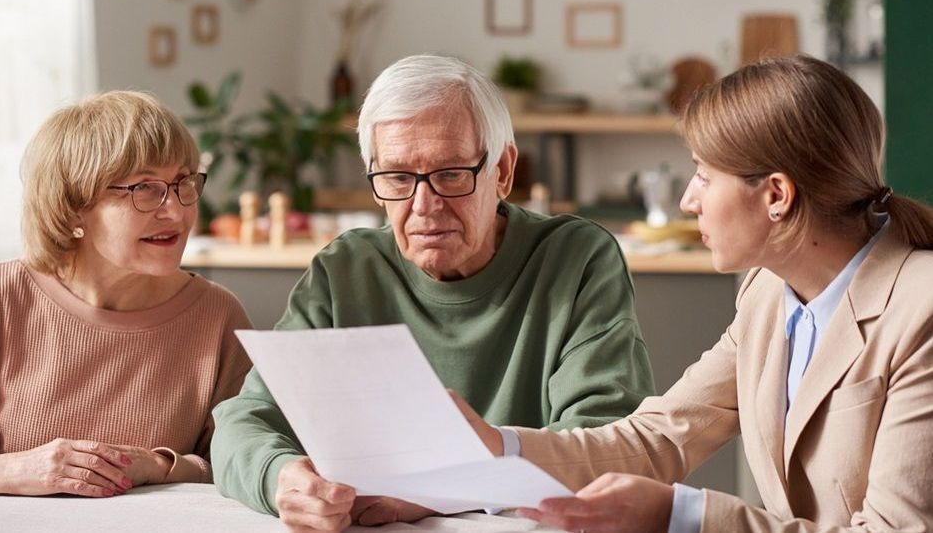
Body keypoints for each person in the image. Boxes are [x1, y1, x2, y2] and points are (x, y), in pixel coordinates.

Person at [457, 54, 933, 533]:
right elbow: (659, 438)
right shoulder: (768, 294)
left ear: (776, 196)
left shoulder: (922, 310)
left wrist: (683, 516)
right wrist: (498, 448)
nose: (688, 200)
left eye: (704, 175)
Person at [211, 54, 655, 530]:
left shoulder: (577, 258)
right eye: (399, 178)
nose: (425, 206)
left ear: (502, 171)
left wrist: (437, 495)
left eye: (450, 174)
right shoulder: (345, 270)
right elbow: (244, 421)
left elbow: (608, 445)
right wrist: (282, 478)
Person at [0, 91, 252, 498]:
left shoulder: (217, 315)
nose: (177, 212)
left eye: (182, 182)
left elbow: (247, 459)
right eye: (145, 188)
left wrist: (160, 465)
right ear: (72, 207)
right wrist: (11, 470)